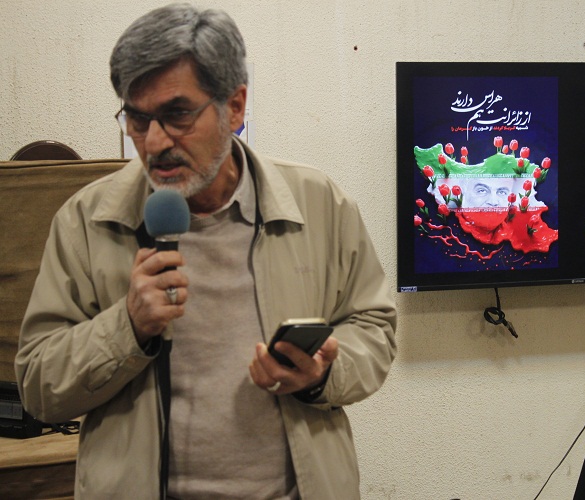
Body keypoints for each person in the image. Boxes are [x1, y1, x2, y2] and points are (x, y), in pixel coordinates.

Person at [14, 4, 396, 499]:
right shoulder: (85, 221)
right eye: (137, 118)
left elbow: (374, 328)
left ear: (235, 106)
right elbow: (38, 387)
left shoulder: (320, 203)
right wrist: (127, 326)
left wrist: (322, 373)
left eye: (177, 114)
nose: (153, 142)